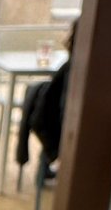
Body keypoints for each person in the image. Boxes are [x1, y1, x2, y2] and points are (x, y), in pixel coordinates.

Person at [16, 19, 78, 182]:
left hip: (50, 123)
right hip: (58, 128)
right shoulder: (74, 69)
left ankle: (46, 167)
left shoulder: (70, 67)